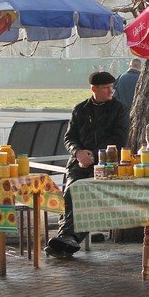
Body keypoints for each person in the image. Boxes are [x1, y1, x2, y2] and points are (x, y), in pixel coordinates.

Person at [47, 71, 130, 259]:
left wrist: (93, 154)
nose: (111, 91)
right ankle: (68, 239)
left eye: (112, 87)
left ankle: (68, 237)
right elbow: (69, 137)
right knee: (71, 191)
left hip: (106, 162)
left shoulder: (119, 109)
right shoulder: (80, 109)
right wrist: (78, 153)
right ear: (94, 89)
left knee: (87, 193)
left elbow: (119, 137)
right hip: (79, 161)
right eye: (106, 88)